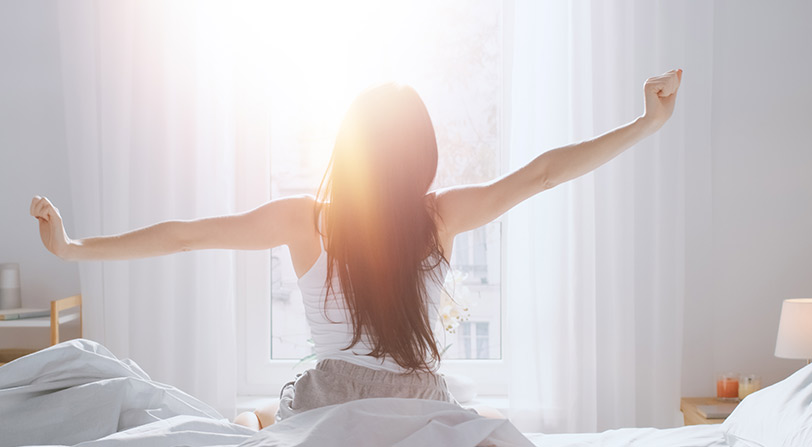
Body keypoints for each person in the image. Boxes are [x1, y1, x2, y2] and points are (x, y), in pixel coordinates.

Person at [30, 69, 682, 430]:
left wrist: (73, 245)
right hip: (418, 405)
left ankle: (256, 420)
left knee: (251, 421)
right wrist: (647, 122)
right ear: (420, 154)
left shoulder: (307, 221)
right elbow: (542, 174)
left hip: (329, 404)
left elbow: (184, 234)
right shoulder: (439, 216)